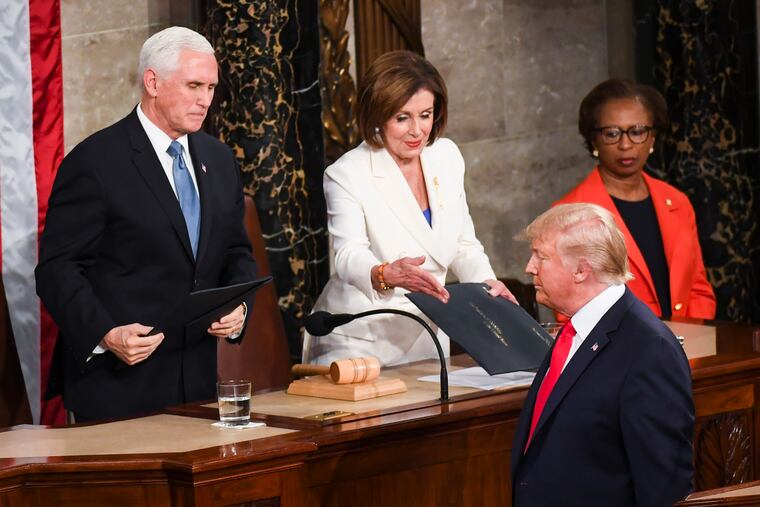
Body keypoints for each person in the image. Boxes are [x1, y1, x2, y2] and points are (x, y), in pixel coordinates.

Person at [35, 27, 258, 421]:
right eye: (193, 85)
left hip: (199, 384)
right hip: (118, 385)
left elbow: (236, 251)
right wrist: (106, 333)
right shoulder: (95, 162)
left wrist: (239, 306)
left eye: (210, 87)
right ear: (152, 81)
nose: (204, 100)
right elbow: (57, 270)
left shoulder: (219, 159)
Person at [302, 50, 515, 366]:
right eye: (403, 118)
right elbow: (347, 255)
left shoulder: (447, 156)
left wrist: (489, 288)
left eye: (426, 115)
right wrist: (386, 273)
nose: (417, 130)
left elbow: (464, 245)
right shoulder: (348, 172)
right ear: (378, 116)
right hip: (360, 338)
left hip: (427, 333)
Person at [510, 203, 694, 506]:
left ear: (582, 270)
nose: (530, 267)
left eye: (541, 256)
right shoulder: (575, 330)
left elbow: (663, 486)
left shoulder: (650, 351)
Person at [556, 78, 715, 320]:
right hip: (620, 353)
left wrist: (686, 340)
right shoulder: (570, 214)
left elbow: (698, 289)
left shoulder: (677, 201)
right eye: (611, 133)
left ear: (652, 138)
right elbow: (570, 310)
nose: (625, 144)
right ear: (593, 140)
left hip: (687, 347)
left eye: (637, 131)